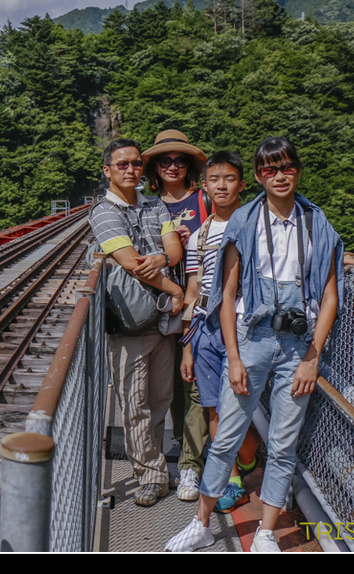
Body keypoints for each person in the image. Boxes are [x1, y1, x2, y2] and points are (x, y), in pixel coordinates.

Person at [166, 137, 344, 552]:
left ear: (298, 171)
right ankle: (202, 523)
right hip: (251, 338)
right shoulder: (244, 222)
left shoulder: (317, 223)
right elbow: (227, 295)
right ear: (259, 176)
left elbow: (330, 295)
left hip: (299, 345)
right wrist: (233, 356)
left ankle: (265, 531)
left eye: (286, 168)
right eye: (269, 170)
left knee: (283, 442)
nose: (279, 177)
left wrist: (312, 357)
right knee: (226, 436)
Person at [90, 139, 184, 506]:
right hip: (130, 322)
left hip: (160, 319)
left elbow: (173, 249)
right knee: (134, 402)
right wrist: (176, 289)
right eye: (122, 165)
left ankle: (156, 469)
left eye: (136, 164)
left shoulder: (155, 203)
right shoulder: (103, 211)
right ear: (108, 171)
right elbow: (130, 262)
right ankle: (149, 475)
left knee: (160, 397)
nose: (131, 170)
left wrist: (160, 259)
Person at [176, 152, 260, 509]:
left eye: (229, 179)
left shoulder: (257, 223)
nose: (221, 186)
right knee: (213, 410)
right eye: (214, 180)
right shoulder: (199, 236)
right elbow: (193, 291)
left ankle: (248, 459)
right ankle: (232, 479)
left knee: (237, 410)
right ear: (205, 186)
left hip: (244, 326)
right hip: (205, 328)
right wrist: (187, 345)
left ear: (242, 184)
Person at [141, 130, 211, 487]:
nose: (172, 166)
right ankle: (170, 457)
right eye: (164, 161)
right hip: (158, 306)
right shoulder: (145, 204)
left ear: (189, 166)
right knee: (164, 387)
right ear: (154, 166)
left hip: (198, 304)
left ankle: (190, 465)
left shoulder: (205, 200)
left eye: (179, 160)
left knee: (193, 383)